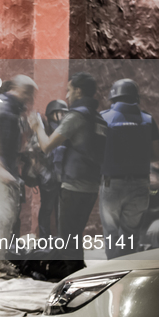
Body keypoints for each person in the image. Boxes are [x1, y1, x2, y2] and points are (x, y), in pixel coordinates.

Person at [29, 72, 107, 261]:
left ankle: (69, 279)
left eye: (69, 90)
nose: (66, 96)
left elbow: (47, 146)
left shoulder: (76, 116)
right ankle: (76, 272)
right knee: (75, 236)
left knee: (67, 240)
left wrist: (37, 127)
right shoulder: (98, 118)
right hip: (91, 186)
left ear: (78, 91)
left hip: (73, 186)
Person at [99, 79, 159, 258]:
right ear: (136, 97)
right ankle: (127, 271)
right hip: (140, 184)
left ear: (113, 96)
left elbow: (94, 151)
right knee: (131, 233)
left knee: (111, 233)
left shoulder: (103, 118)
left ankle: (113, 271)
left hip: (112, 184)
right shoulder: (148, 120)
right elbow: (158, 156)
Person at [0, 75, 38, 272]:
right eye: (28, 92)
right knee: (4, 217)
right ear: (18, 88)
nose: (30, 98)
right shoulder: (1, 106)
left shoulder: (7, 107)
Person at [36, 100, 68, 239]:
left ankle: (61, 238)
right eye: (59, 113)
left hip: (63, 175)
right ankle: (44, 238)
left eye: (64, 113)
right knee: (47, 209)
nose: (62, 116)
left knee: (62, 211)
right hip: (48, 176)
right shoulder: (44, 130)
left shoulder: (67, 129)